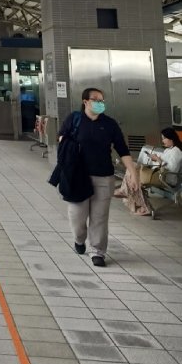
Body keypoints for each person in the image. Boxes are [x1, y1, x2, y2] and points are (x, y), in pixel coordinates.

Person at [58, 87, 138, 266]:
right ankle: (79, 240)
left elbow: (122, 149)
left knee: (100, 217)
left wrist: (132, 171)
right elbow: (61, 139)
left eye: (102, 100)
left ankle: (97, 251)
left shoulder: (110, 124)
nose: (100, 103)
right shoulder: (74, 119)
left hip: (103, 176)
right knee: (77, 217)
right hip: (78, 176)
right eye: (96, 100)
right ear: (85, 101)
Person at [115, 127, 182, 214]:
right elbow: (163, 165)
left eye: (164, 138)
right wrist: (155, 159)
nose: (163, 141)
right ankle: (130, 195)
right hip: (158, 174)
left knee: (134, 173)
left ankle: (131, 195)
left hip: (165, 178)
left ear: (171, 138)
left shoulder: (177, 152)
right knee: (133, 171)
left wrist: (158, 159)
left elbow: (170, 169)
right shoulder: (170, 149)